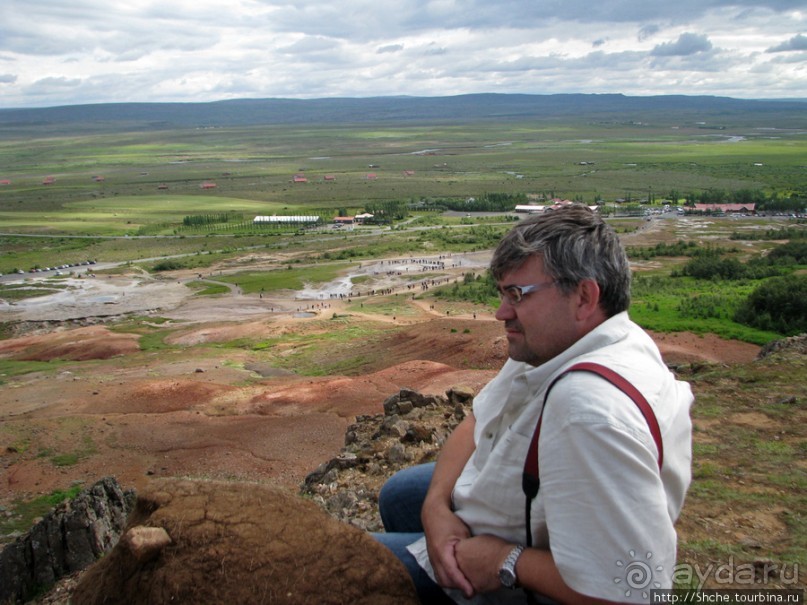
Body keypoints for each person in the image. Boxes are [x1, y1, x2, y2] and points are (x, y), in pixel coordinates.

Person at [374, 205, 693, 604]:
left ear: (584, 296)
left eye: (517, 295)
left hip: (533, 578)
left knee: (337, 567)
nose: (501, 312)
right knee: (402, 494)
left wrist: (505, 561)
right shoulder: (568, 343)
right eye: (502, 293)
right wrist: (435, 508)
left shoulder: (589, 413)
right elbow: (479, 420)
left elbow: (638, 590)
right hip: (529, 508)